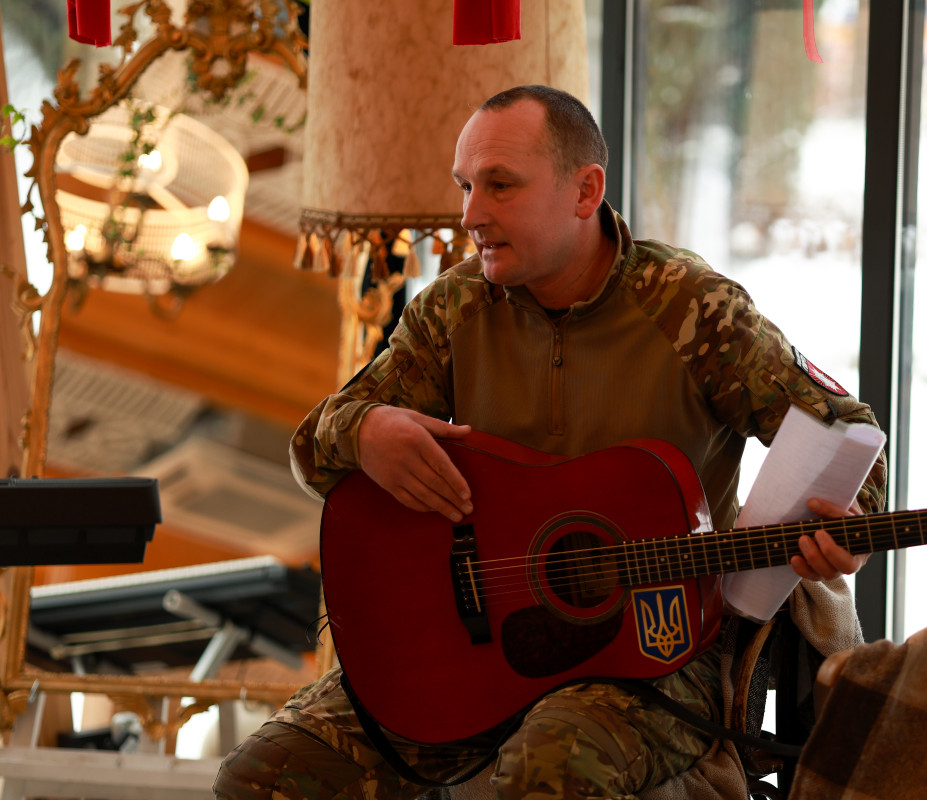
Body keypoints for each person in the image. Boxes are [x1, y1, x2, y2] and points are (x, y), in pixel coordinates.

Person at [213, 84, 887, 800]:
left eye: (500, 186)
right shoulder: (451, 309)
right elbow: (313, 449)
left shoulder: (692, 307)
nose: (470, 215)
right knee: (257, 779)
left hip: (660, 648)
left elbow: (844, 429)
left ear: (584, 191)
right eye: (466, 186)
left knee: (548, 769)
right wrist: (364, 428)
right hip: (466, 649)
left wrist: (852, 522)